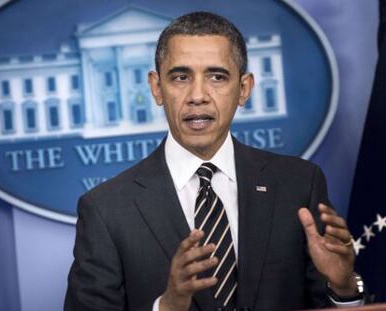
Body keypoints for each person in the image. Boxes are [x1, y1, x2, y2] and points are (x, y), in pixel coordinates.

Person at [65, 11, 365, 311]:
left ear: (244, 89)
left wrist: (343, 288)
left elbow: (325, 300)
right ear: (157, 88)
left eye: (217, 77)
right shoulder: (106, 210)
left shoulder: (299, 185)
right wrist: (167, 306)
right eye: (181, 77)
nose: (198, 96)